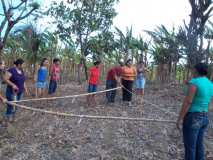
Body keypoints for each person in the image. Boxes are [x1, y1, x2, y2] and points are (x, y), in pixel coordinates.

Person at [176, 63, 213, 160]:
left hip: (193, 118)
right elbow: (210, 103)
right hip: (205, 117)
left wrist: (179, 119)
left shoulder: (195, 82)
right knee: (199, 145)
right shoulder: (210, 84)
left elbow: (188, 101)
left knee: (190, 147)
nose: (192, 71)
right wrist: (204, 110)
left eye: (193, 70)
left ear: (196, 71)